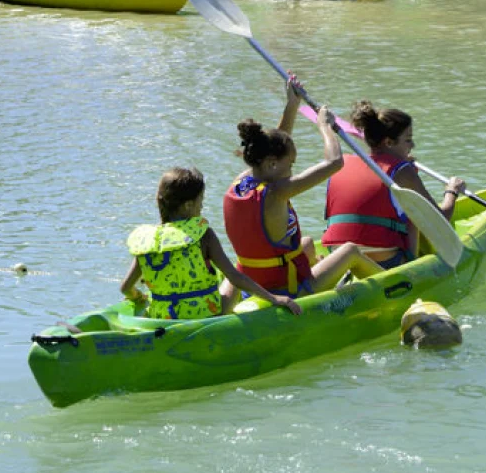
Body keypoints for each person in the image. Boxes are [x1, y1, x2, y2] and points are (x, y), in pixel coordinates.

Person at [221, 78, 383, 307]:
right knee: (350, 251)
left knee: (306, 244)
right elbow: (335, 162)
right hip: (288, 291)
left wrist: (292, 105)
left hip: (254, 282)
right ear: (272, 165)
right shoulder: (278, 191)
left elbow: (275, 142)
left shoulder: (241, 182)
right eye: (291, 165)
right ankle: (392, 287)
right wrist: (325, 127)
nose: (291, 171)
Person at [121, 166, 301, 319]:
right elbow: (235, 277)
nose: (201, 207)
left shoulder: (147, 242)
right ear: (188, 206)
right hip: (205, 315)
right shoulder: (203, 234)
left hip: (163, 317)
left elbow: (126, 288)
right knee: (238, 269)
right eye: (201, 201)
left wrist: (138, 298)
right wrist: (273, 298)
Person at [322, 100, 465, 269]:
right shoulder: (403, 171)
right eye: (408, 139)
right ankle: (411, 265)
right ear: (389, 143)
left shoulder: (341, 162)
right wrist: (452, 192)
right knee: (413, 209)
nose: (413, 145)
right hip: (383, 258)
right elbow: (439, 221)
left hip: (337, 253)